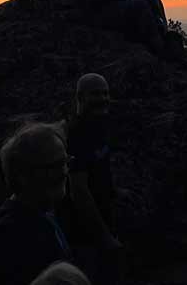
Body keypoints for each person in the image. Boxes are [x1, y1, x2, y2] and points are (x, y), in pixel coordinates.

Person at [0, 123, 74, 285]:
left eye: (65, 162)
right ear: (23, 175)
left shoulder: (45, 212)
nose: (63, 172)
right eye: (53, 166)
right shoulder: (11, 242)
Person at [62, 73, 121, 285]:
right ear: (80, 97)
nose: (103, 98)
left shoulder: (100, 126)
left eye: (105, 93)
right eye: (95, 94)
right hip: (83, 237)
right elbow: (78, 191)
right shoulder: (76, 135)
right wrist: (104, 237)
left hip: (105, 221)